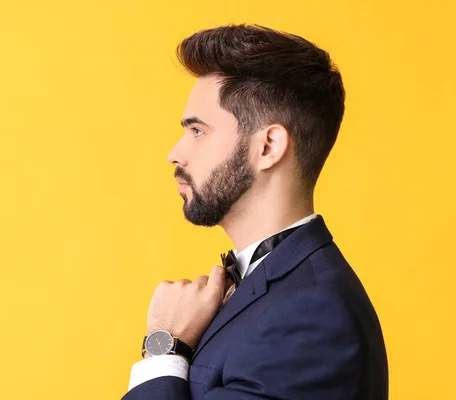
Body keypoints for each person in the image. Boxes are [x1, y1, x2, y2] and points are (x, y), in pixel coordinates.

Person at [122, 24, 388, 400]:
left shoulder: (311, 317)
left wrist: (164, 347)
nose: (175, 153)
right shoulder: (273, 291)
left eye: (197, 131)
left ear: (268, 147)